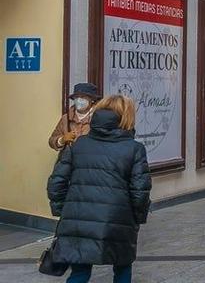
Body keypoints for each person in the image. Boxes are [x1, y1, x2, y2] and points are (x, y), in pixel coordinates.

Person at [46, 95, 150, 283]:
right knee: (122, 269)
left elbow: (56, 183)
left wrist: (64, 210)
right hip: (118, 220)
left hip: (78, 218)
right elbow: (140, 192)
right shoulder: (134, 149)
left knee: (79, 272)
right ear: (126, 118)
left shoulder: (78, 144)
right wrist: (138, 218)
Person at [49, 83, 101, 151]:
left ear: (92, 99)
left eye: (83, 97)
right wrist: (62, 140)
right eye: (76, 97)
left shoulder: (99, 118)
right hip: (71, 160)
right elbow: (51, 140)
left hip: (91, 159)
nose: (79, 100)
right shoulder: (66, 118)